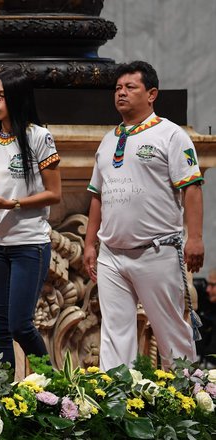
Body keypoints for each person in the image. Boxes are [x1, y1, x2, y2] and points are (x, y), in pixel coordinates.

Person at [83, 60, 204, 371]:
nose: (121, 93)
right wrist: (89, 244)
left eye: (130, 87)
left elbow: (191, 187)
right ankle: (116, 409)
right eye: (118, 88)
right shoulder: (109, 139)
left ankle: (190, 406)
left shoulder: (171, 135)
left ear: (151, 94)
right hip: (111, 254)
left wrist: (196, 238)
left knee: (172, 333)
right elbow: (97, 195)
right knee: (113, 335)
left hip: (158, 250)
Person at [0, 71, 61, 371]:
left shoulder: (39, 137)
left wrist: (11, 202)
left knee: (20, 325)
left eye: (1, 95)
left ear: (17, 97)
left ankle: (51, 384)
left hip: (29, 243)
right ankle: (2, 395)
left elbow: (54, 193)